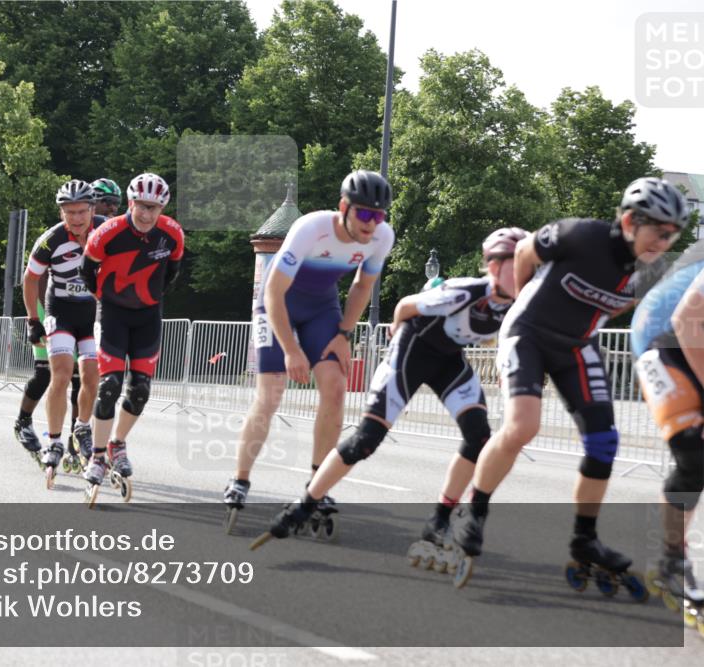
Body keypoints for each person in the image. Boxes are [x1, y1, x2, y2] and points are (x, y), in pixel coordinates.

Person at [450, 176, 687, 588]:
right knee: (522, 426)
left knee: (604, 442)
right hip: (528, 333)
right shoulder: (581, 235)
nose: (664, 242)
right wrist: (525, 297)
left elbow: (624, 307)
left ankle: (584, 539)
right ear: (629, 221)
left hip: (577, 346)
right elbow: (524, 251)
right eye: (658, 231)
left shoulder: (654, 270)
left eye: (672, 235)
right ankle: (474, 511)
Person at [254, 228, 526, 553]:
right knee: (366, 440)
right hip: (411, 353)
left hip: (449, 361)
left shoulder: (520, 303)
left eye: (530, 266)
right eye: (518, 265)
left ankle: (439, 518)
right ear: (493, 266)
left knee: (479, 436)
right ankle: (306, 503)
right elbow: (405, 306)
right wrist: (396, 330)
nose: (526, 274)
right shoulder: (463, 291)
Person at [223, 170, 395, 530]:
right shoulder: (311, 228)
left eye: (378, 215)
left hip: (321, 308)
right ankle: (240, 479)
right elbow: (273, 292)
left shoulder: (381, 236)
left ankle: (318, 487)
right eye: (364, 213)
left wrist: (344, 333)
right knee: (271, 393)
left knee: (335, 387)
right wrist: (291, 350)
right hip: (276, 303)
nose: (371, 223)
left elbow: (362, 286)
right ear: (344, 207)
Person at [79, 172, 184, 503]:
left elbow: (172, 273)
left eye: (154, 208)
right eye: (142, 206)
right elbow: (86, 271)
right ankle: (97, 457)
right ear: (130, 202)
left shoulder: (172, 233)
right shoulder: (107, 233)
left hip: (147, 317)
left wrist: (148, 298)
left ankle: (117, 444)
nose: (147, 214)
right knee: (109, 385)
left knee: (140, 390)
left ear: (162, 208)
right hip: (112, 314)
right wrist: (105, 299)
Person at [632, 239, 704, 626]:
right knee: (694, 457)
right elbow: (686, 317)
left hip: (695, 337)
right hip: (663, 339)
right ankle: (671, 560)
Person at [23, 180, 103, 485]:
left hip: (93, 312)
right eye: (70, 212)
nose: (77, 218)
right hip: (61, 311)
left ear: (92, 209)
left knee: (92, 375)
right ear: (61, 213)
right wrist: (33, 319)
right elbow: (30, 279)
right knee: (61, 373)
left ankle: (81, 427)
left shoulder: (106, 231)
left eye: (82, 211)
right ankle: (55, 441)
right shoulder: (51, 239)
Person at [13, 298, 51, 461]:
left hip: (76, 307)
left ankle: (78, 435)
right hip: (43, 305)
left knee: (80, 376)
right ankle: (23, 422)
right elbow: (30, 283)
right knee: (44, 374)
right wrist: (33, 320)